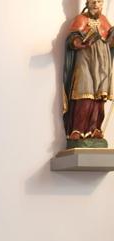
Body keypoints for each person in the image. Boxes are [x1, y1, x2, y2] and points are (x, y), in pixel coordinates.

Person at [63, 0, 114, 141]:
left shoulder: (104, 20)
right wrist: (80, 42)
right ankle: (77, 129)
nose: (96, 5)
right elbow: (72, 38)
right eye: (92, 2)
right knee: (83, 92)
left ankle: (95, 128)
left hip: (102, 62)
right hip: (85, 59)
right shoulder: (81, 18)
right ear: (87, 3)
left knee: (99, 96)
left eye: (99, 2)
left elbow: (109, 40)